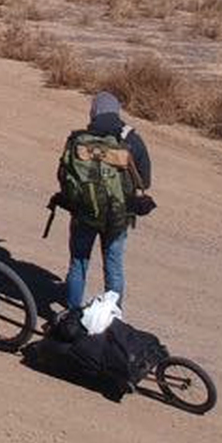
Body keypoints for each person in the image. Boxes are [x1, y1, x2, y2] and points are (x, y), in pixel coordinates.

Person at [56, 91, 154, 314]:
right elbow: (145, 181)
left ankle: (72, 315)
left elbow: (63, 176)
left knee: (79, 263)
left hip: (84, 215)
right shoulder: (131, 141)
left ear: (94, 111)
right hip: (118, 217)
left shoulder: (78, 140)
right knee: (114, 268)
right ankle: (112, 317)